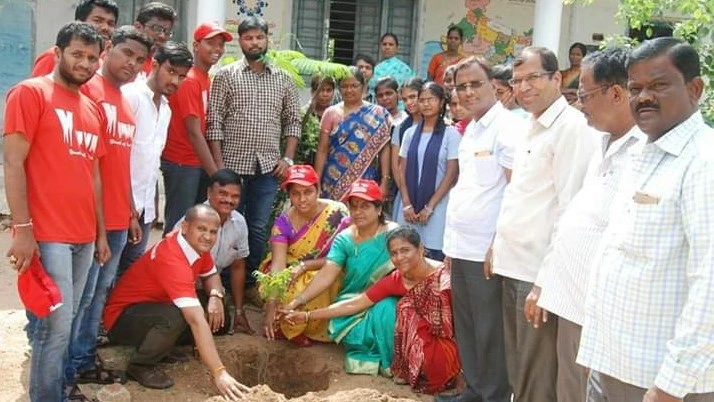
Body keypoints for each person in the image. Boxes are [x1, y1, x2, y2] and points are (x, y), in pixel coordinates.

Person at [578, 37, 714, 402]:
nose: (644, 97)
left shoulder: (704, 161)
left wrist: (671, 384)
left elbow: (710, 284)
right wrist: (596, 348)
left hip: (661, 381)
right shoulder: (642, 152)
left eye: (658, 85)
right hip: (614, 365)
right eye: (635, 88)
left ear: (695, 89)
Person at [524, 48, 645, 402]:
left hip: (600, 318)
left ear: (616, 94)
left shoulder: (644, 154)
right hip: (570, 301)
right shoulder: (602, 144)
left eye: (584, 95)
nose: (579, 105)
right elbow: (575, 220)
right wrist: (546, 281)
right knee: (568, 393)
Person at [4, 22, 107, 402]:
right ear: (58, 52)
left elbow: (93, 176)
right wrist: (23, 229)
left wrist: (99, 234)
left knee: (69, 321)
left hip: (83, 237)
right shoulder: (30, 94)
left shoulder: (92, 108)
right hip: (48, 234)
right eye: (77, 54)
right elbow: (13, 164)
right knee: (55, 327)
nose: (85, 63)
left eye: (92, 57)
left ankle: (57, 391)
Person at [491, 46, 599, 402]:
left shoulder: (572, 129)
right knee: (516, 369)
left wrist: (544, 283)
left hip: (537, 274)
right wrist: (497, 243)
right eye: (517, 80)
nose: (523, 87)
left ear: (556, 78)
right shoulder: (530, 126)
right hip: (512, 264)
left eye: (533, 78)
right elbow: (521, 196)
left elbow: (570, 210)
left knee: (535, 376)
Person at [67, 25, 153, 386]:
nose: (131, 63)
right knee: (81, 298)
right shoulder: (90, 94)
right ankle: (66, 369)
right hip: (92, 219)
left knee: (98, 293)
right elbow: (87, 167)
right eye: (126, 54)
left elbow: (120, 166)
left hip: (120, 216)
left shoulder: (122, 99)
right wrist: (100, 226)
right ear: (108, 50)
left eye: (139, 59)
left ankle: (84, 359)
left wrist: (131, 213)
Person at [284, 226, 460, 394]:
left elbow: (466, 316)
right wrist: (307, 315)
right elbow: (355, 304)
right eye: (394, 253)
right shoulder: (396, 280)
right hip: (421, 341)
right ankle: (408, 366)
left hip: (454, 338)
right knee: (394, 308)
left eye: (405, 250)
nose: (399, 257)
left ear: (421, 248)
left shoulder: (445, 276)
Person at [437, 56, 522, 402]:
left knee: (490, 330)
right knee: (469, 326)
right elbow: (468, 190)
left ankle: (495, 396)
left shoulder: (508, 129)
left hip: (487, 250)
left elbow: (515, 191)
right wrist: (449, 249)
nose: (468, 92)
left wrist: (498, 243)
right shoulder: (471, 128)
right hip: (462, 246)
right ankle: (474, 390)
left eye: (476, 84)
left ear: (495, 86)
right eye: (461, 86)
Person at [103, 205, 249, 400]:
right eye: (202, 229)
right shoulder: (172, 258)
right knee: (178, 317)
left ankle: (163, 347)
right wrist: (219, 372)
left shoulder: (195, 246)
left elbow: (211, 274)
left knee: (219, 315)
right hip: (122, 318)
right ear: (185, 227)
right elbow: (196, 320)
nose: (207, 236)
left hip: (156, 306)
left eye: (213, 231)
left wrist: (216, 296)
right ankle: (141, 365)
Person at [207, 16, 302, 301]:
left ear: (267, 39)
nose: (254, 42)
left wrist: (288, 158)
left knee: (258, 225)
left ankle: (248, 282)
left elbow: (292, 122)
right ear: (241, 42)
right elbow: (214, 123)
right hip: (232, 166)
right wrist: (219, 168)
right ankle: (217, 280)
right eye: (248, 38)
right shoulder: (226, 76)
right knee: (223, 221)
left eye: (259, 37)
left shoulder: (283, 79)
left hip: (268, 168)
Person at [283, 180, 399, 376]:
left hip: (389, 296)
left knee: (386, 310)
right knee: (356, 335)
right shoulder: (344, 239)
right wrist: (297, 302)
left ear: (379, 209)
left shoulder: (393, 234)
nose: (358, 212)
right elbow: (327, 275)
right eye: (353, 206)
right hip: (353, 300)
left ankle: (393, 364)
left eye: (365, 206)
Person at [117, 41, 193, 275]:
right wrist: (129, 210)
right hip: (121, 207)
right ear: (155, 64)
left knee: (129, 275)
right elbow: (119, 159)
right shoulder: (131, 97)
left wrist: (150, 209)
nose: (175, 82)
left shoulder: (166, 109)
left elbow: (150, 163)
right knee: (104, 277)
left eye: (181, 77)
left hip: (144, 210)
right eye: (171, 72)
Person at [258, 165, 349, 345]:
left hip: (329, 265)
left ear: (318, 190)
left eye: (308, 192)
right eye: (295, 194)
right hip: (291, 268)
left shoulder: (337, 213)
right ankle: (287, 327)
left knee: (323, 280)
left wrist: (305, 266)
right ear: (290, 196)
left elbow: (343, 255)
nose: (302, 199)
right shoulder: (283, 223)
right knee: (284, 287)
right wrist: (271, 305)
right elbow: (278, 264)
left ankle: (311, 328)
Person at [161, 22, 232, 236]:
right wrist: (216, 175)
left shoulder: (206, 78)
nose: (217, 49)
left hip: (195, 162)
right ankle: (168, 268)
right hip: (182, 161)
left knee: (194, 226)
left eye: (220, 44)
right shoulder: (190, 79)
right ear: (196, 45)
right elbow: (194, 131)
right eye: (210, 43)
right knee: (178, 224)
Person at [174, 169, 251, 335]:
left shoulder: (240, 223)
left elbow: (238, 267)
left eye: (235, 196)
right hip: (182, 289)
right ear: (209, 192)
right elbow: (177, 271)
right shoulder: (191, 221)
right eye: (222, 193)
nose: (228, 200)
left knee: (221, 325)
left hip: (212, 289)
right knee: (188, 324)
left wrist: (238, 310)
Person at [395, 82, 461, 261]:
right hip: (409, 208)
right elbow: (402, 169)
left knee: (433, 258)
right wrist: (407, 204)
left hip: (437, 207)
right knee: (406, 253)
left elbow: (451, 174)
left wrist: (430, 207)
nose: (426, 104)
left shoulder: (451, 134)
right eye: (422, 100)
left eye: (431, 99)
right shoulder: (409, 133)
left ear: (441, 102)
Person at [314, 66, 392, 200]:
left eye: (354, 85)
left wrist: (385, 181)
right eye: (344, 86)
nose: (349, 90)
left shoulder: (377, 113)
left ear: (363, 87)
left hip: (366, 179)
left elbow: (384, 149)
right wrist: (316, 182)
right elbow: (322, 150)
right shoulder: (331, 113)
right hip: (332, 180)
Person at [31, 0, 119, 77]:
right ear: (79, 22)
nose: (105, 27)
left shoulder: (101, 63)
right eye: (98, 20)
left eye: (110, 24)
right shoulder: (54, 56)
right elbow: (37, 91)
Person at [390, 77, 424, 218]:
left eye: (413, 97)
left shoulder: (442, 127)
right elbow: (395, 166)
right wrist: (406, 199)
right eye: (405, 99)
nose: (409, 102)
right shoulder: (401, 128)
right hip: (406, 196)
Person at [132, 2, 177, 80]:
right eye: (156, 29)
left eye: (167, 32)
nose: (162, 36)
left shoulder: (163, 66)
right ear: (138, 27)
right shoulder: (119, 56)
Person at [298, 74, 336, 165]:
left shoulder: (336, 116)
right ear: (312, 91)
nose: (325, 94)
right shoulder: (303, 114)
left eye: (329, 90)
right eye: (321, 90)